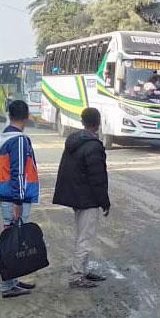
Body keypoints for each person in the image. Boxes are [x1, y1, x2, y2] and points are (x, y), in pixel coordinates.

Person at [52, 108, 111, 289]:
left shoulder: (74, 141)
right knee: (85, 238)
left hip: (76, 196)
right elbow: (98, 178)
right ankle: (77, 276)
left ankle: (83, 271)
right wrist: (105, 202)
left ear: (82, 121)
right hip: (88, 198)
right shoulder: (93, 146)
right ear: (98, 123)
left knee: (81, 235)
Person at [0, 100, 39, 298]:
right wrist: (18, 201)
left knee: (13, 237)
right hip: (14, 198)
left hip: (7, 195)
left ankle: (12, 279)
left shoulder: (5, 135)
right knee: (12, 240)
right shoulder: (19, 140)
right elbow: (18, 172)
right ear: (27, 115)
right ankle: (7, 285)